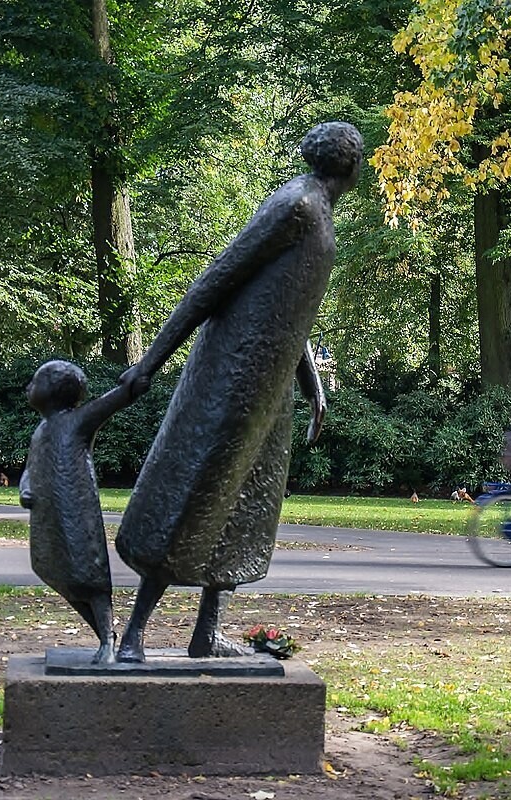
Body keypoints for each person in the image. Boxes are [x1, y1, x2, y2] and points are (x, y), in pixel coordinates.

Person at [113, 121, 362, 663]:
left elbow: (289, 308)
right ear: (354, 165)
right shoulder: (295, 204)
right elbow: (217, 278)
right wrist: (151, 361)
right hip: (232, 374)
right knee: (195, 492)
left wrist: (311, 383)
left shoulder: (318, 212)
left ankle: (207, 630)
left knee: (246, 503)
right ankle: (131, 634)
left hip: (268, 390)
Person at [19, 360, 150, 664]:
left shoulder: (77, 422)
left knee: (88, 574)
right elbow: (31, 467)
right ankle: (104, 637)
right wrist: (25, 487)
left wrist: (133, 385)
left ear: (53, 391)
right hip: (47, 518)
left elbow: (112, 401)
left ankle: (108, 637)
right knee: (59, 573)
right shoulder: (41, 431)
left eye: (35, 382)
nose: (29, 387)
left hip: (76, 514)